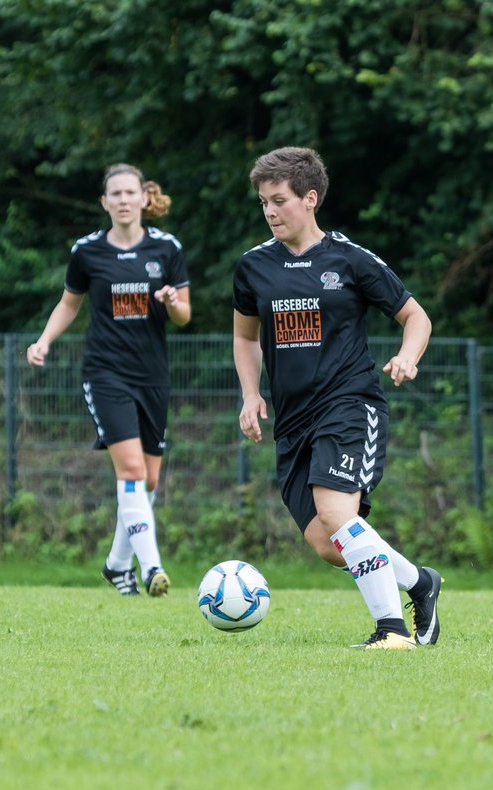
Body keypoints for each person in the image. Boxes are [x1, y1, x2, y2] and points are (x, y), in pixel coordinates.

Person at [232, 146, 442, 650]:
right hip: (294, 421)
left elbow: (417, 317)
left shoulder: (351, 259)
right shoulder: (253, 267)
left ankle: (391, 631)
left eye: (279, 200)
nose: (270, 211)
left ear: (310, 199)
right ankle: (420, 583)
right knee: (329, 544)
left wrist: (408, 356)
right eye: (263, 202)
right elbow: (244, 337)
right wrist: (249, 394)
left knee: (337, 516)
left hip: (350, 405)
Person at [27, 162, 192, 597]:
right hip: (105, 374)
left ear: (143, 198)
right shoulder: (87, 252)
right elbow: (69, 304)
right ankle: (152, 567)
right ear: (104, 203)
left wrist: (172, 301)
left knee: (149, 480)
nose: (122, 200)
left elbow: (184, 315)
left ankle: (117, 564)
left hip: (152, 376)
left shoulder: (166, 249)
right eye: (113, 194)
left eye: (129, 193)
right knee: (132, 470)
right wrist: (43, 340)